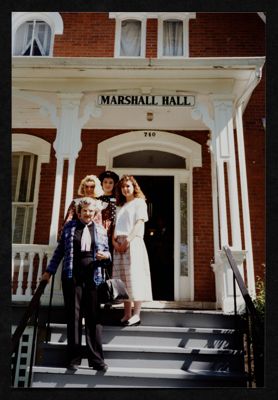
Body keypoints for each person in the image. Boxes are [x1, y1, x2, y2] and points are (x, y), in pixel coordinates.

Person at [41, 197, 110, 371]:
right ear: (79, 212)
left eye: (91, 211)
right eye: (84, 211)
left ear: (95, 213)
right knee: (74, 317)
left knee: (94, 318)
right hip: (72, 276)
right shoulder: (69, 228)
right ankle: (74, 359)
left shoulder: (101, 230)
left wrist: (106, 256)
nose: (88, 213)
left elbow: (108, 253)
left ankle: (96, 360)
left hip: (94, 276)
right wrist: (49, 271)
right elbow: (59, 252)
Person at [112, 175, 153, 326]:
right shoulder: (120, 206)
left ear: (134, 187)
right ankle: (126, 313)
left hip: (133, 241)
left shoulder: (139, 203)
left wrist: (128, 240)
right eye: (123, 187)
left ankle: (136, 314)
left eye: (128, 186)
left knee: (134, 277)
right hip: (119, 243)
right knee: (122, 280)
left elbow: (139, 223)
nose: (125, 189)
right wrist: (114, 242)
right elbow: (115, 227)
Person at [98, 170, 119, 275]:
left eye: (110, 182)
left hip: (113, 236)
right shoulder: (97, 200)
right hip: (99, 236)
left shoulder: (117, 201)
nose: (108, 185)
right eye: (105, 182)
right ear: (102, 183)